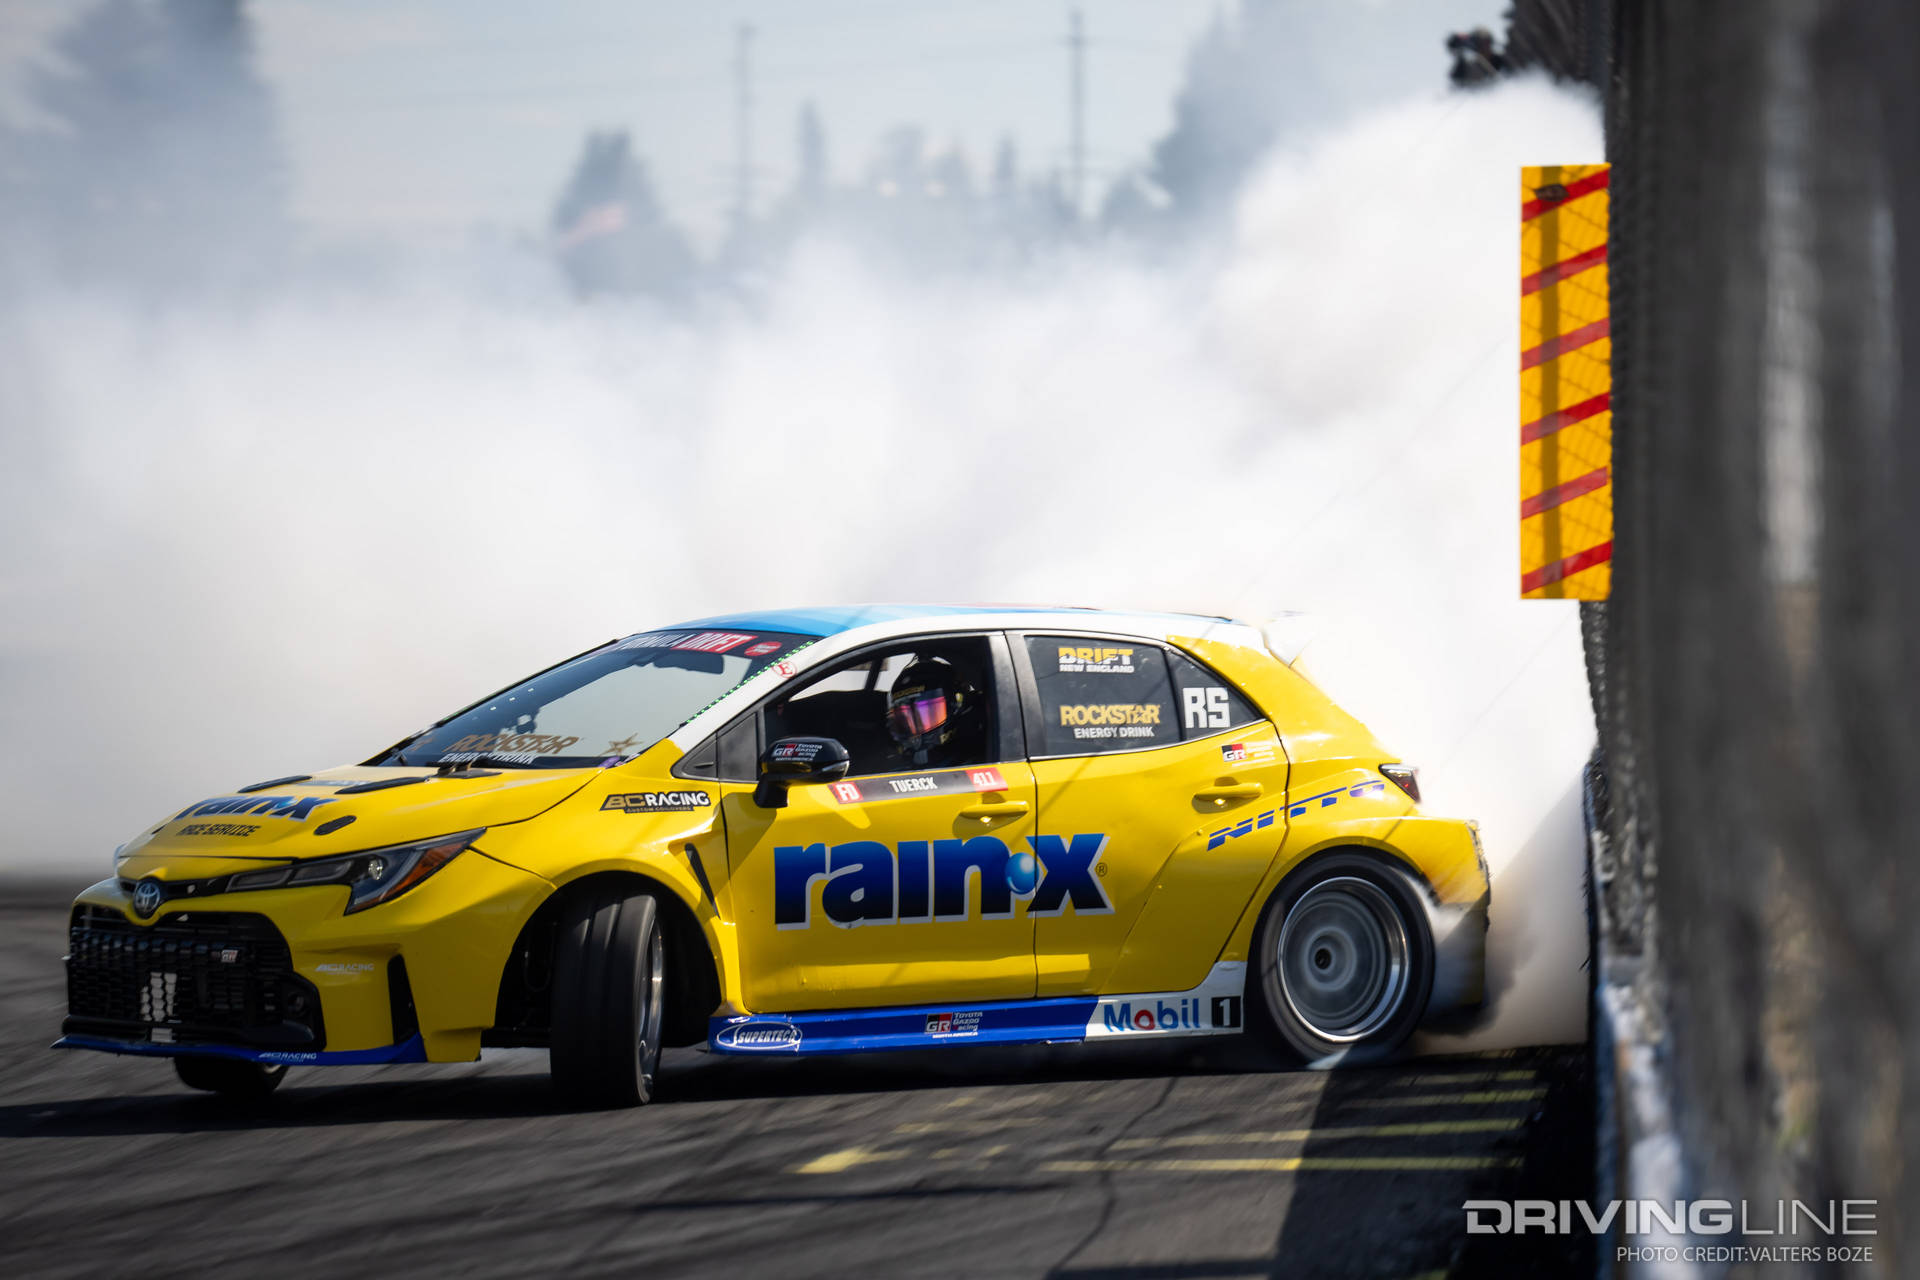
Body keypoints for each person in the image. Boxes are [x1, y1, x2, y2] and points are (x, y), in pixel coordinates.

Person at [884, 657, 986, 769]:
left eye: (927, 714)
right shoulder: (893, 771)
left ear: (956, 708)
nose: (916, 735)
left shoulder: (982, 764)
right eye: (904, 720)